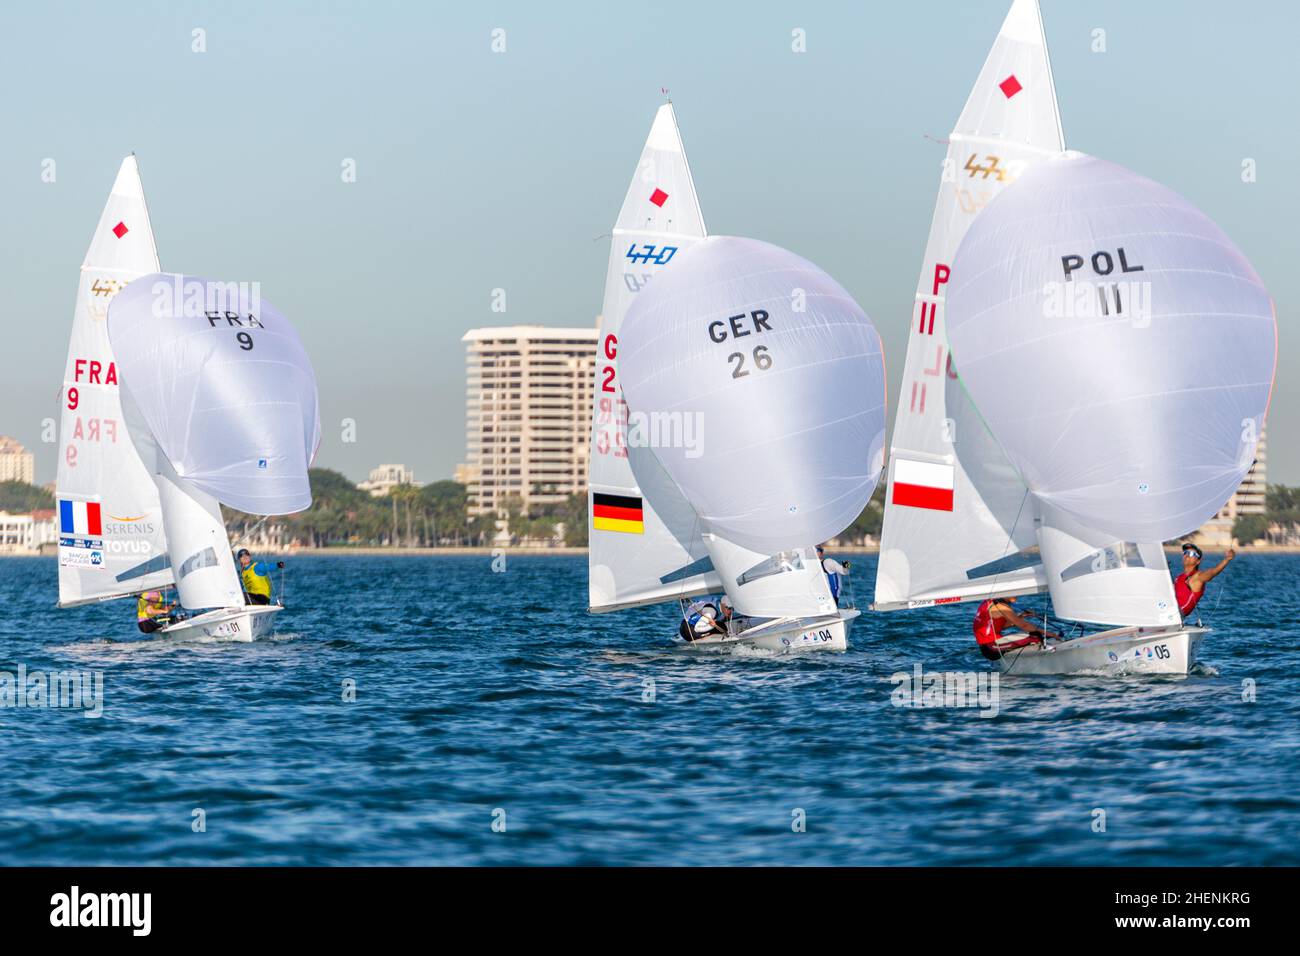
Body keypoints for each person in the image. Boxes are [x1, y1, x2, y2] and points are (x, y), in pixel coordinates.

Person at [972, 595, 1061, 661]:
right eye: (1012, 592)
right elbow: (1024, 626)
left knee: (1034, 635)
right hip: (993, 648)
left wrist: (1022, 616)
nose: (1016, 594)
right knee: (1036, 636)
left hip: (988, 647)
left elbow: (1002, 626)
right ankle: (1046, 651)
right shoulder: (1001, 607)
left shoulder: (989, 602)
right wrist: (1049, 633)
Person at [1174, 543, 1234, 619]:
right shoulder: (1178, 578)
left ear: (1198, 561)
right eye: (1185, 553)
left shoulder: (1197, 577)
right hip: (1166, 609)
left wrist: (1227, 559)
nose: (1187, 555)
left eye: (1192, 554)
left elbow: (1212, 572)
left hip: (1177, 614)